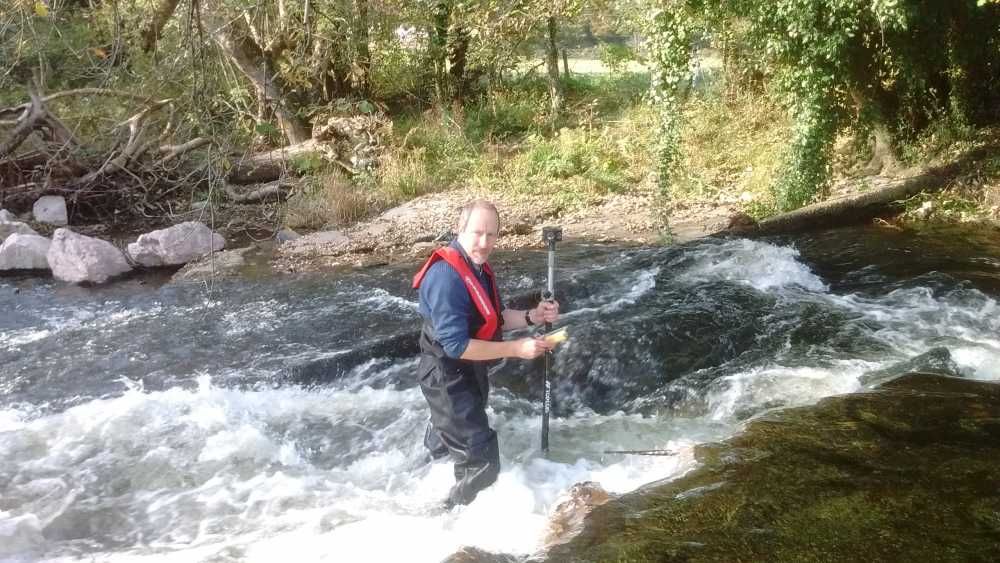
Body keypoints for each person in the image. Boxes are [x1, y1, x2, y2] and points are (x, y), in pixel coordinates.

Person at [412, 199, 560, 507]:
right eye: (478, 232)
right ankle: (445, 519)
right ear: (459, 229)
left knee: (445, 448)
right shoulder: (445, 277)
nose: (484, 242)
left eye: (492, 235)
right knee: (482, 463)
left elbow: (495, 317)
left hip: (468, 372)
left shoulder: (477, 268)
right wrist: (517, 349)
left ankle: (424, 488)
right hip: (446, 376)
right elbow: (457, 345)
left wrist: (534, 316)